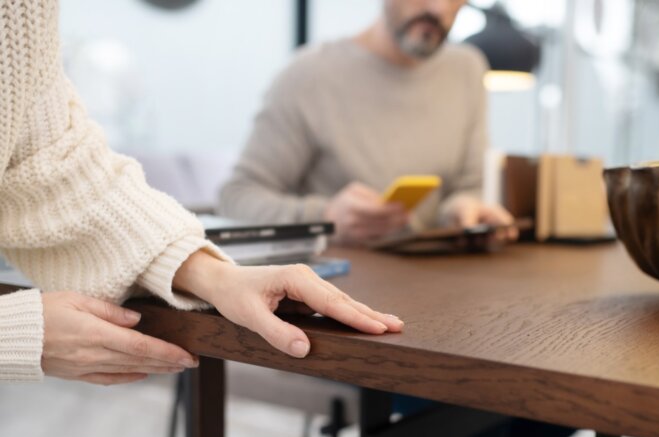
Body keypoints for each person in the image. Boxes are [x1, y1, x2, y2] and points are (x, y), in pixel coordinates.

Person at [218, 1, 574, 437]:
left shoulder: (465, 69)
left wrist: (467, 208)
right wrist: (327, 213)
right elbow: (237, 196)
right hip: (346, 307)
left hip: (448, 295)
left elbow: (464, 182)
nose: (435, 9)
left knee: (565, 392)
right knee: (472, 402)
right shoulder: (311, 75)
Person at [0, 0, 403, 385]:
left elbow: (52, 158)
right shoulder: (313, 75)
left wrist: (213, 274)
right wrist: (15, 336)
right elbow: (242, 193)